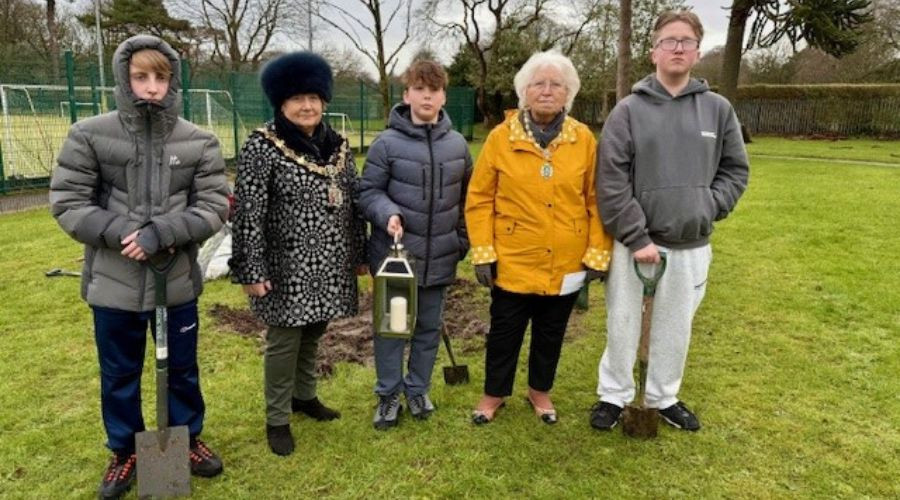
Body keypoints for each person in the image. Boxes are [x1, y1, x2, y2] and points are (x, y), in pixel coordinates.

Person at [49, 35, 228, 499]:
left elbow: (213, 205)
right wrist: (123, 233)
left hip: (176, 284)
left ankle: (185, 437)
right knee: (120, 374)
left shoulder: (199, 141)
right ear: (124, 80)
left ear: (173, 82)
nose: (151, 87)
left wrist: (163, 233)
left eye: (160, 78)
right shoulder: (88, 135)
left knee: (183, 370)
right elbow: (69, 202)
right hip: (115, 287)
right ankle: (125, 449)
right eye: (141, 77)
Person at [589, 10, 749, 432]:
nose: (677, 48)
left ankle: (663, 396)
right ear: (653, 51)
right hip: (634, 244)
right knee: (623, 322)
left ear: (697, 51)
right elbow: (610, 180)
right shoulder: (628, 110)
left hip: (691, 243)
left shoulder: (718, 110)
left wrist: (707, 206)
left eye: (686, 41)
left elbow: (735, 171)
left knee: (675, 326)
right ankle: (614, 394)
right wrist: (636, 235)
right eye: (668, 41)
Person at [229, 52, 367, 456]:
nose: (306, 106)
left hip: (330, 262)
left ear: (324, 100)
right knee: (284, 339)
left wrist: (359, 253)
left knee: (315, 329)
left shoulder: (339, 147)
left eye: (313, 97)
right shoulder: (262, 146)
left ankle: (304, 396)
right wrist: (250, 268)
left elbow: (355, 202)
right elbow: (247, 212)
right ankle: (277, 418)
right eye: (296, 98)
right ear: (281, 103)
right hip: (283, 265)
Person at [465, 50, 613, 425]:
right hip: (514, 259)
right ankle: (493, 393)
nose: (547, 90)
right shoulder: (500, 139)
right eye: (538, 84)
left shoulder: (584, 140)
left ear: (568, 93)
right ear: (524, 92)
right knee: (504, 332)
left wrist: (597, 252)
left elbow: (597, 199)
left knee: (551, 333)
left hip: (565, 262)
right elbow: (479, 198)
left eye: (556, 84)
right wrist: (483, 252)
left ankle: (540, 391)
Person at [358, 60, 472, 430]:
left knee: (427, 328)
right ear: (406, 95)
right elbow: (368, 192)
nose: (427, 96)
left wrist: (461, 241)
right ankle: (389, 394)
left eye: (434, 90)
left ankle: (418, 388)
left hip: (440, 256)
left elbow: (469, 200)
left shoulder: (458, 145)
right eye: (420, 89)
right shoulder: (386, 144)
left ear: (443, 96)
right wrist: (387, 212)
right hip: (396, 257)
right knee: (392, 329)